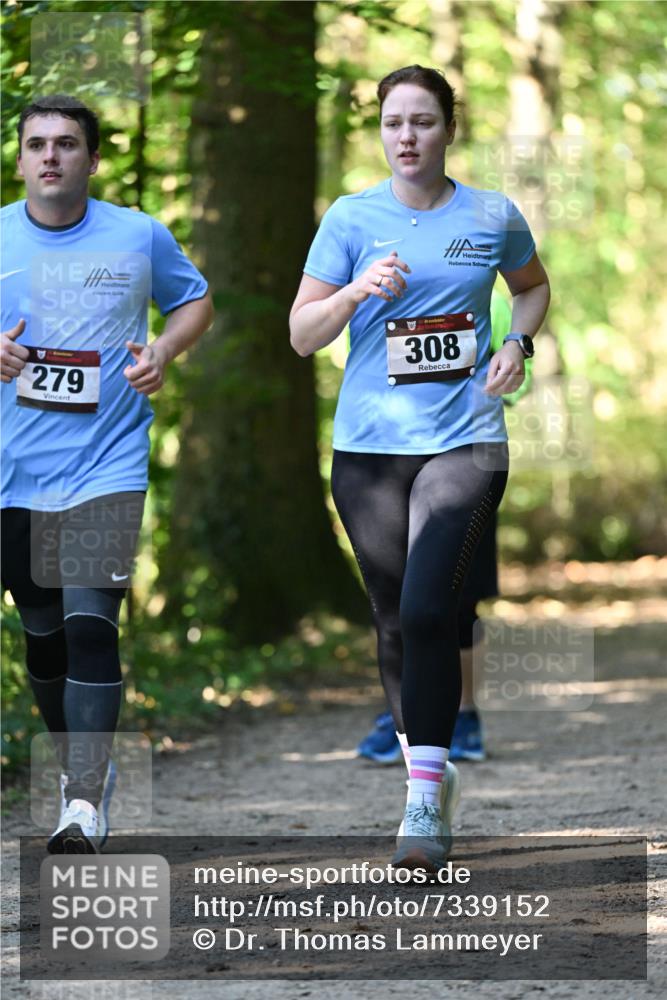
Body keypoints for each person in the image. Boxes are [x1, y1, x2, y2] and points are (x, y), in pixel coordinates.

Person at [290, 66, 549, 871]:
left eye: (423, 122)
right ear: (380, 131)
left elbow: (532, 289)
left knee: (432, 610)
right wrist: (356, 294)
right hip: (368, 452)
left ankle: (423, 802)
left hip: (465, 442)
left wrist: (516, 342)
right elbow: (301, 335)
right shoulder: (350, 218)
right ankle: (425, 773)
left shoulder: (489, 214)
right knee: (396, 621)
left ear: (448, 129)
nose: (407, 137)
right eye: (394, 122)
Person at [0, 95, 213, 853]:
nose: (50, 156)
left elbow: (194, 302)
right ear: (21, 158)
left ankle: (85, 802)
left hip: (106, 467)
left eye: (66, 144)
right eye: (36, 144)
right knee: (46, 639)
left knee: (93, 625)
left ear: (92, 160)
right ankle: (75, 771)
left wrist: (160, 352)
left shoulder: (136, 235)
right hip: (13, 474)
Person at [357, 291, 533, 765]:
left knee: (459, 601)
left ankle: (466, 715)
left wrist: (503, 370)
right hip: (391, 456)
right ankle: (401, 716)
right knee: (399, 600)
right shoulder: (382, 289)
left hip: (469, 455)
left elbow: (521, 378)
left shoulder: (489, 299)